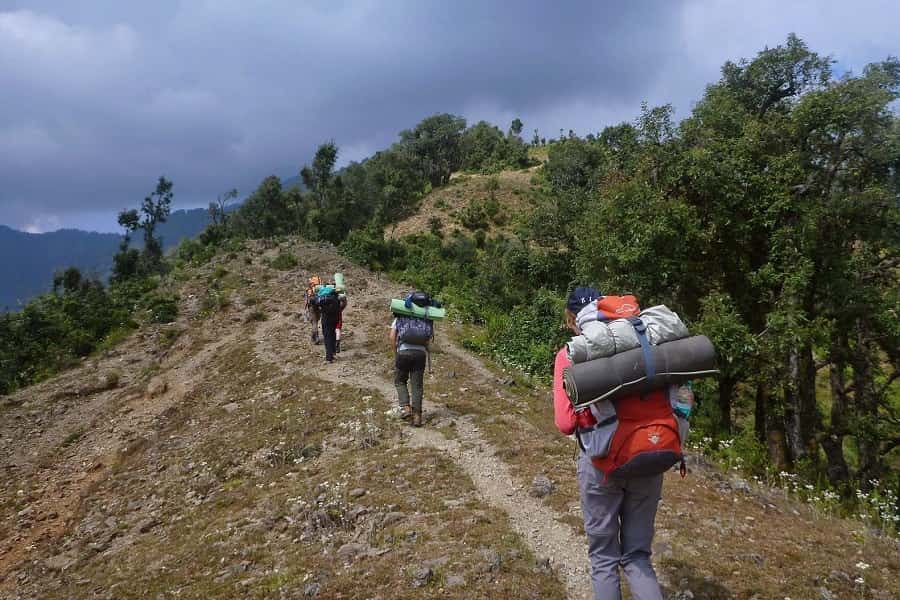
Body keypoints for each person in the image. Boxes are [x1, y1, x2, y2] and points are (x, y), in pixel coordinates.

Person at [553, 286, 666, 600]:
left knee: (604, 557)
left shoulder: (570, 354)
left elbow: (564, 424)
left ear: (573, 319)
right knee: (637, 555)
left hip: (602, 463)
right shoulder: (643, 341)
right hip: (650, 452)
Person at [388, 295, 431, 427]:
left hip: (403, 352)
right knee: (417, 385)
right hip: (420, 354)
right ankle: (417, 416)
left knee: (400, 380)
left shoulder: (401, 316)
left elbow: (392, 338)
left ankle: (406, 408)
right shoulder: (426, 317)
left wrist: (396, 354)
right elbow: (428, 341)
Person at [318, 285, 343, 363]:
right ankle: (333, 353)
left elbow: (317, 305)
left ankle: (329, 358)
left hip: (326, 320)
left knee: (327, 338)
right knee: (333, 335)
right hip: (335, 319)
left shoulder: (324, 300)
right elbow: (341, 307)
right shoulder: (337, 298)